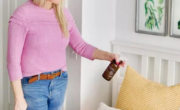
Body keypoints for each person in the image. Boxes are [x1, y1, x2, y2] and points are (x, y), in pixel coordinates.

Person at [7, 0, 125, 110]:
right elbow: (13, 61)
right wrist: (19, 97)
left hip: (60, 82)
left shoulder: (64, 14)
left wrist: (108, 56)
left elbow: (81, 46)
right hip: (33, 85)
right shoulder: (23, 14)